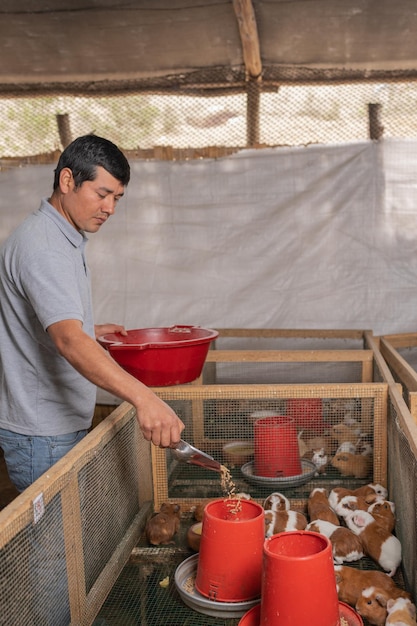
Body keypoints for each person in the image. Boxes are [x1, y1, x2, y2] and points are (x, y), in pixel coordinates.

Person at [0, 134, 185, 494]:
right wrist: (144, 398)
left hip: (52, 427)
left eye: (117, 198)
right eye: (101, 194)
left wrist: (89, 328)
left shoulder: (58, 235)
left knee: (65, 539)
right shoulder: (46, 247)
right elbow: (68, 340)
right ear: (68, 180)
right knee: (55, 549)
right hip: (44, 434)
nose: (110, 208)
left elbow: (44, 320)